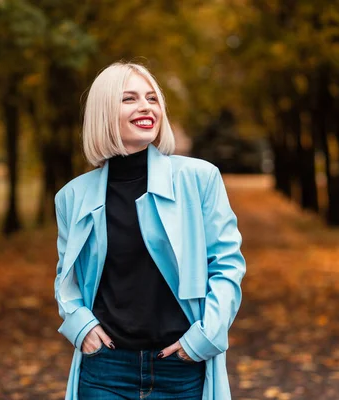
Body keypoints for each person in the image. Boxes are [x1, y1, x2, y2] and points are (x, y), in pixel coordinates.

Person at [53, 61, 246, 400]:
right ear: (103, 112)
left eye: (152, 98)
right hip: (104, 372)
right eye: (129, 99)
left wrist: (203, 339)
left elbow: (227, 265)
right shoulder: (73, 197)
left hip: (182, 368)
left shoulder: (199, 179)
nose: (145, 107)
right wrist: (80, 324)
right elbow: (66, 278)